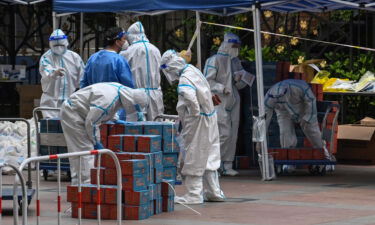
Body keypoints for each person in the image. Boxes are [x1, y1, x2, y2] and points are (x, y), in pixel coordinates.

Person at [160, 50, 225, 204]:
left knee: (193, 155)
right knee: (209, 153)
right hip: (209, 116)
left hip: (198, 120)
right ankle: (213, 191)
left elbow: (188, 95)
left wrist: (194, 114)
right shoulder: (193, 71)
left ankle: (194, 194)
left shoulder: (184, 78)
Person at [60, 82, 147, 185]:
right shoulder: (108, 99)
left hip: (81, 112)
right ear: (131, 102)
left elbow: (112, 108)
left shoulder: (119, 92)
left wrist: (115, 119)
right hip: (73, 113)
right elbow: (91, 123)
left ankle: (78, 186)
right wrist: (96, 142)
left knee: (80, 153)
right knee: (85, 152)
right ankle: (85, 187)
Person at [203, 33, 250, 176]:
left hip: (234, 99)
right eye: (234, 46)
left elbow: (241, 85)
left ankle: (227, 163)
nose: (236, 49)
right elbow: (207, 81)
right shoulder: (214, 60)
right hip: (219, 100)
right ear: (227, 44)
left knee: (233, 133)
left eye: (238, 46)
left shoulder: (235, 61)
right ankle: (215, 164)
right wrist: (221, 87)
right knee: (223, 133)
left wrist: (240, 80)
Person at [264, 79, 333, 171]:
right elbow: (264, 117)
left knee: (312, 131)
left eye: (281, 97)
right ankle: (288, 159)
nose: (279, 99)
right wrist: (261, 135)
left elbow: (311, 99)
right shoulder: (269, 97)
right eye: (277, 98)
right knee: (285, 132)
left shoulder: (299, 87)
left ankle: (324, 156)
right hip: (283, 111)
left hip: (303, 107)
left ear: (287, 91)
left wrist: (308, 117)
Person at [120, 22, 164, 121]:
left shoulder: (128, 52)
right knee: (156, 126)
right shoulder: (155, 50)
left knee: (136, 129)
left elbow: (122, 74)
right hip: (155, 94)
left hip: (136, 95)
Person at [39, 29, 85, 118]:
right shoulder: (46, 57)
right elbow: (46, 70)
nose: (58, 47)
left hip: (71, 100)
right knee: (51, 128)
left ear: (66, 43)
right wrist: (54, 72)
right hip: (51, 101)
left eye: (61, 45)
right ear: (51, 44)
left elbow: (82, 77)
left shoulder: (74, 57)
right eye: (55, 45)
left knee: (69, 128)